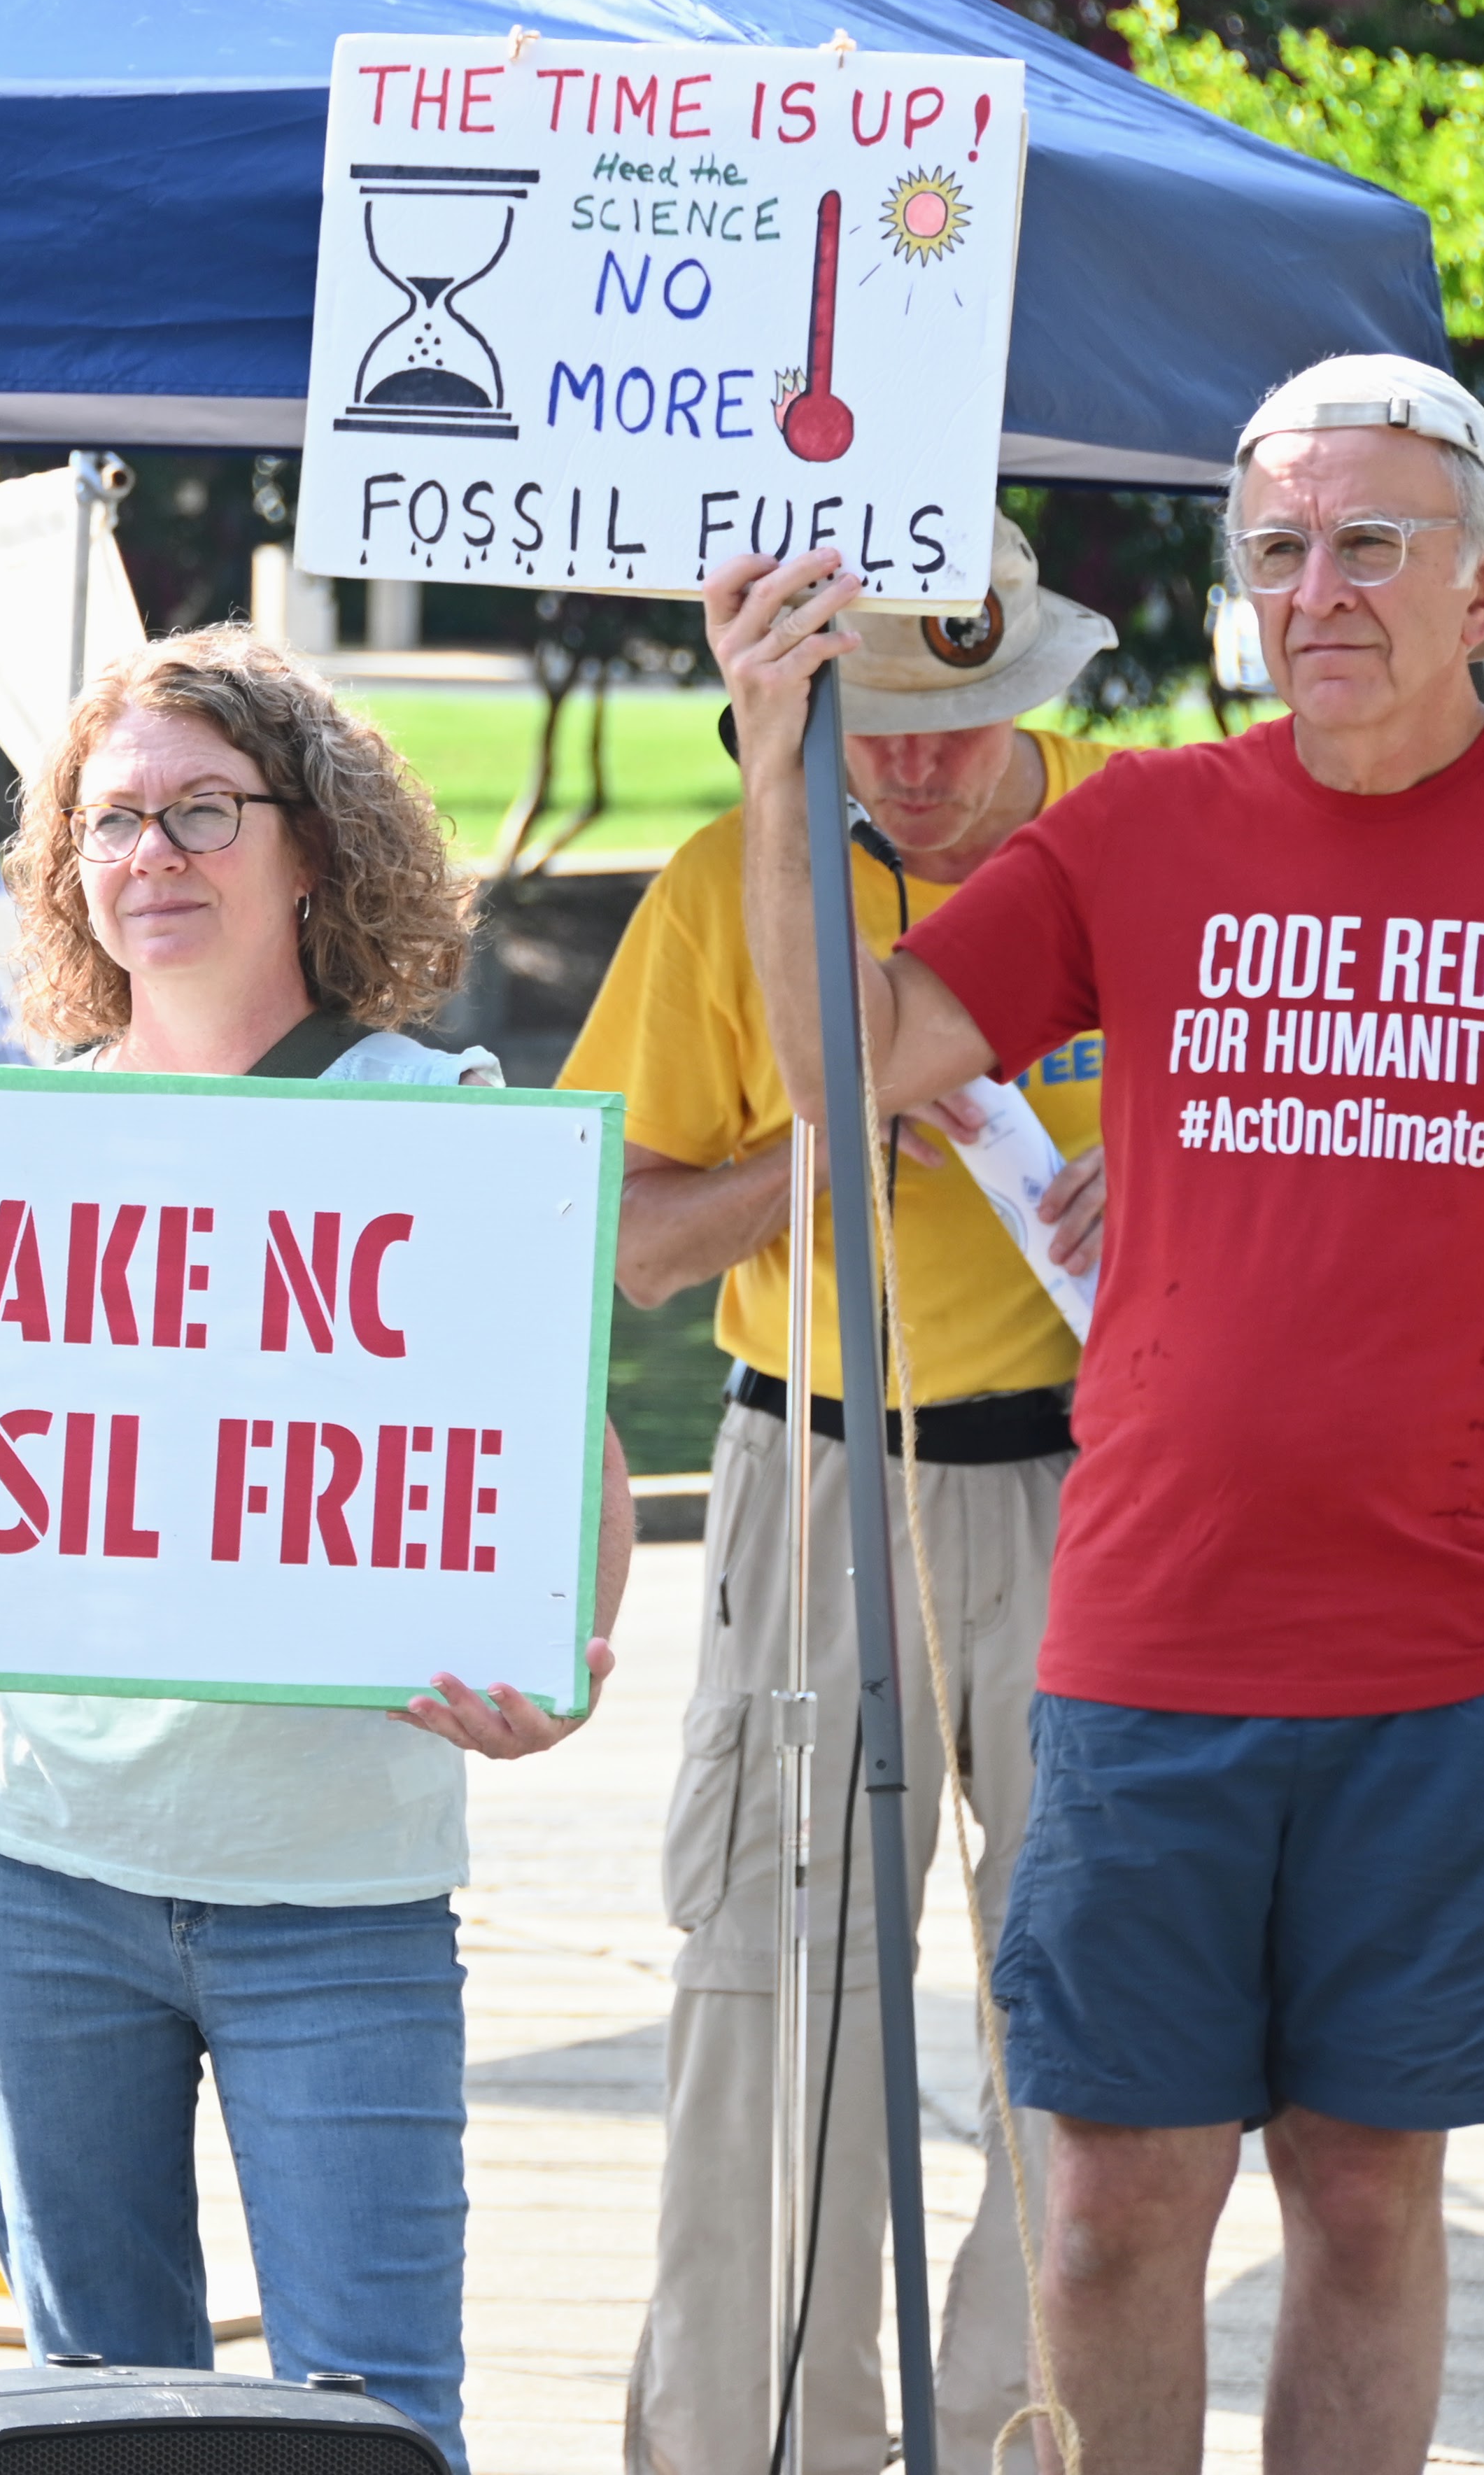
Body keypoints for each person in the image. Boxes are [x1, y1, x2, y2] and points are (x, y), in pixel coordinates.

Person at [718, 355, 1484, 2473]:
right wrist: (768, 752)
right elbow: (857, 1064)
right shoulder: (1154, 829)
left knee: (1364, 2200)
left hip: (1454, 1647)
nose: (1321, 593)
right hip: (1153, 1639)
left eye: (1373, 544)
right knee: (1105, 2216)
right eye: (1279, 552)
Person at [0, 625, 637, 2469]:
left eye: (200, 814)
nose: (151, 857)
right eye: (110, 825)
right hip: (37, 1871)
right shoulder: (11, 1135)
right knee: (94, 2420)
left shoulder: (430, 1127)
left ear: (311, 846)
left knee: (383, 2417)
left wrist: (561, 1673)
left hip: (338, 1896)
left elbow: (571, 1469)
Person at [564, 517, 1115, 2475]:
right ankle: (755, 2453)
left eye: (957, 723)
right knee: (775, 2004)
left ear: (1036, 685)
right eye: (873, 721)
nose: (914, 766)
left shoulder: (1152, 852)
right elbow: (616, 1241)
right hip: (817, 1464)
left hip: (1105, 1487)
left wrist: (1185, 1190)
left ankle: (1026, 2437)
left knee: (1098, 2016)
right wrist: (798, 1170)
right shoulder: (735, 879)